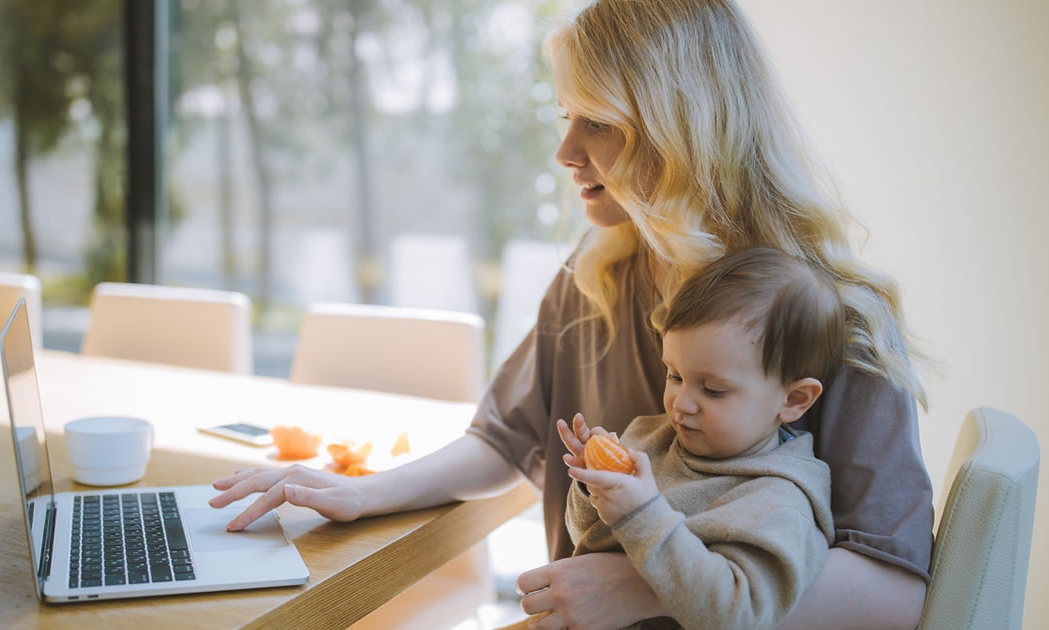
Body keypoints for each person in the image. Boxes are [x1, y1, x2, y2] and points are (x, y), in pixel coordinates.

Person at [210, 1, 934, 628]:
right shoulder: (594, 275)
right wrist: (363, 492)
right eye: (565, 117)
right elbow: (505, 438)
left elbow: (894, 594)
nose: (564, 151)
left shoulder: (837, 318)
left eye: (598, 122)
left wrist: (645, 589)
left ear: (681, 126)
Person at [516, 246, 843, 630]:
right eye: (675, 376)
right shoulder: (650, 438)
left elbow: (738, 614)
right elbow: (589, 541)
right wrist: (595, 488)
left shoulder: (779, 502)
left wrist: (643, 514)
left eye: (714, 390)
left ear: (793, 399)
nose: (681, 403)